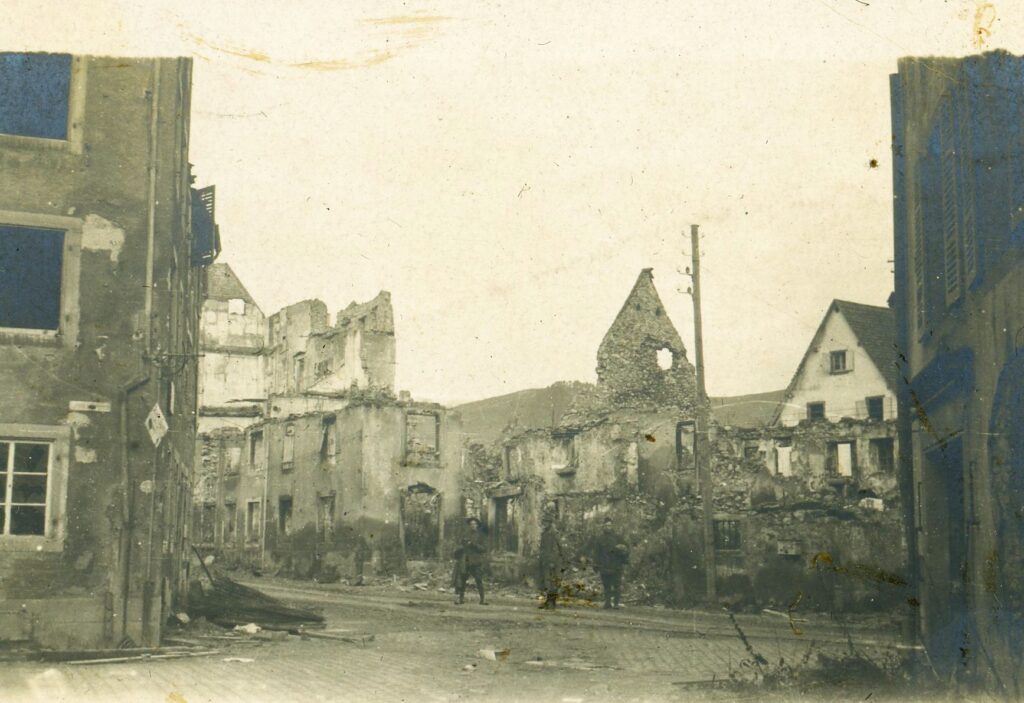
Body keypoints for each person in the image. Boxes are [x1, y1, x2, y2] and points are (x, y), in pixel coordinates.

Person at [589, 516, 629, 609]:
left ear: (612, 526)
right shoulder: (599, 539)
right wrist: (596, 565)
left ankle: (616, 603)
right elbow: (596, 553)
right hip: (604, 565)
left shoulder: (618, 537)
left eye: (609, 525)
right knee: (606, 585)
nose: (608, 527)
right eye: (606, 525)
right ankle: (607, 602)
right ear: (603, 527)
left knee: (617, 585)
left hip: (616, 565)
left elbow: (626, 549)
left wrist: (623, 552)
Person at [453, 517, 487, 605]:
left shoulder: (481, 535)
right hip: (466, 560)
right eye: (471, 524)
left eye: (475, 524)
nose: (473, 526)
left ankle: (482, 599)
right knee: (463, 580)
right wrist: (462, 547)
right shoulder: (465, 535)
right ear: (469, 525)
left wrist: (473, 545)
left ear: (477, 525)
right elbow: (459, 546)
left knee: (479, 580)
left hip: (476, 561)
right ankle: (460, 599)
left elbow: (484, 548)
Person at [537, 511, 564, 609]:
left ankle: (552, 603)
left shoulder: (554, 533)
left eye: (547, 522)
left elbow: (558, 548)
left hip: (554, 562)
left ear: (550, 523)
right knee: (546, 582)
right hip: (545, 561)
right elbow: (543, 548)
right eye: (544, 522)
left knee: (553, 582)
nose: (545, 524)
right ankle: (548, 601)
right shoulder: (544, 533)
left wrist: (553, 561)